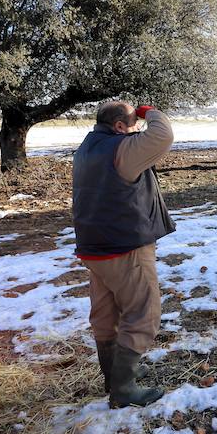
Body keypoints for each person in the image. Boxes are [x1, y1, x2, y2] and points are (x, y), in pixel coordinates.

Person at [72, 101, 175, 408]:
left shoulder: (88, 148)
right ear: (119, 126)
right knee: (143, 313)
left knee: (105, 314)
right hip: (125, 245)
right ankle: (124, 387)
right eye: (133, 123)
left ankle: (113, 375)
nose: (138, 129)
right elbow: (163, 135)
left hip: (94, 246)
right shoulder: (122, 149)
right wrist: (148, 110)